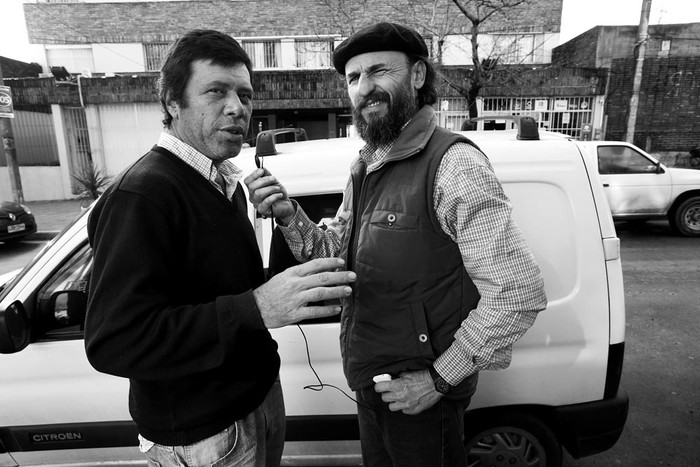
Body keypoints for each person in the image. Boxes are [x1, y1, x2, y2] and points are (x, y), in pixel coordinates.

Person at [245, 22, 548, 467]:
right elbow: (333, 256)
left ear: (418, 76)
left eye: (378, 71)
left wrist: (437, 381)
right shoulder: (365, 166)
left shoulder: (454, 166)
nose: (364, 88)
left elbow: (518, 293)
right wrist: (290, 214)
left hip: (422, 399)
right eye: (353, 78)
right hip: (374, 384)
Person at [85, 29, 356, 467]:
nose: (237, 108)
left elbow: (238, 290)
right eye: (216, 91)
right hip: (204, 434)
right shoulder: (143, 195)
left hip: (257, 400)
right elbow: (115, 341)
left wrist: (287, 220)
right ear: (173, 102)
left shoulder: (223, 182)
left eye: (245, 95)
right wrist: (258, 307)